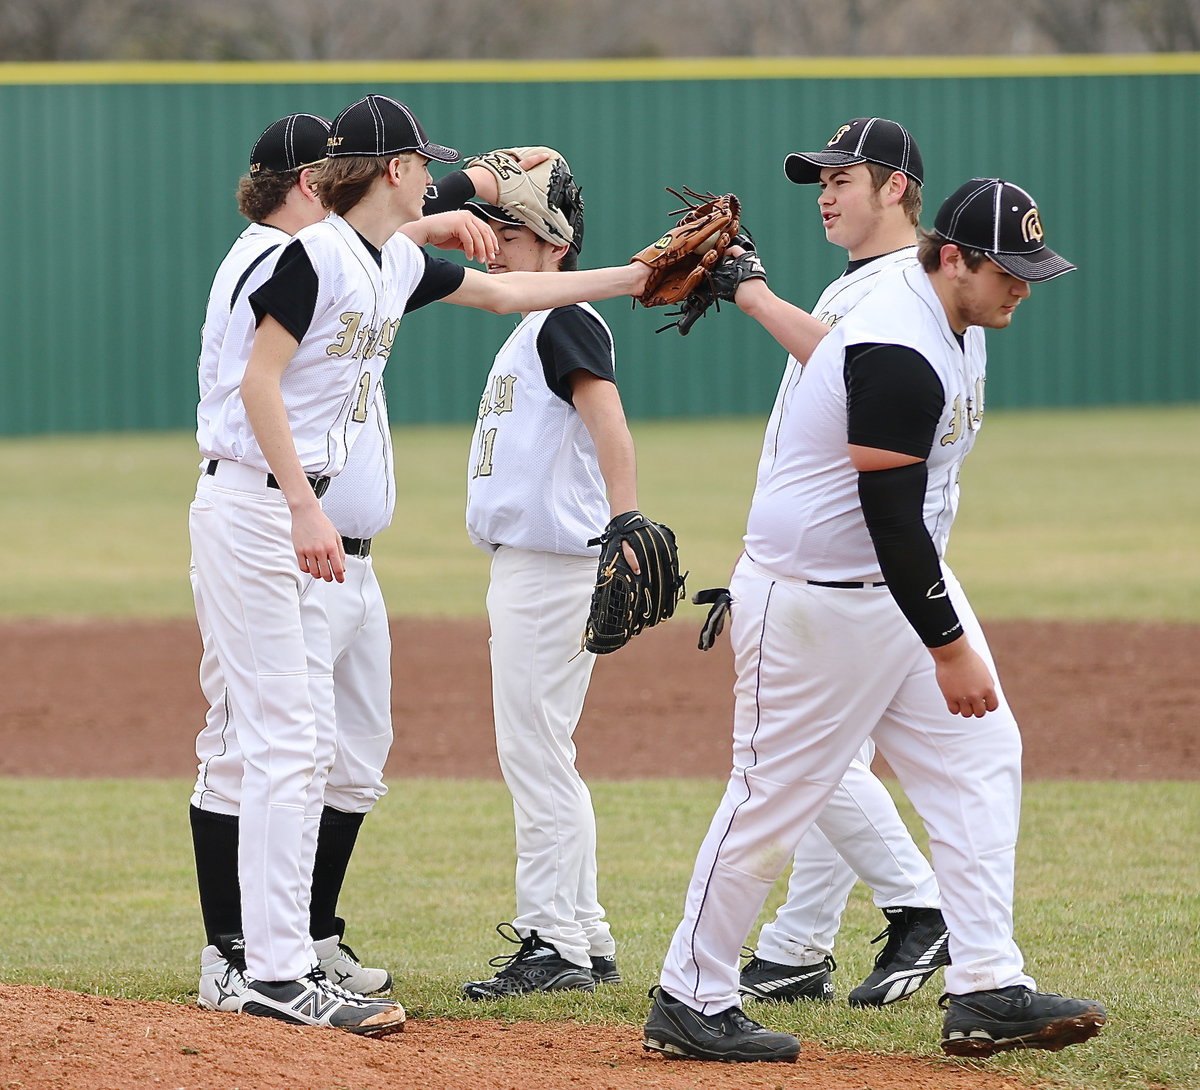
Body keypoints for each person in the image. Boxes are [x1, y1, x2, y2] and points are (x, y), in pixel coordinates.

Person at [189, 92, 649, 1034]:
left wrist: (632, 278)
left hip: (288, 513)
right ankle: (271, 971)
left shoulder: (387, 259)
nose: (427, 174)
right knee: (283, 745)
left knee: (309, 748)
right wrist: (308, 505)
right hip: (260, 509)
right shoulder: (308, 257)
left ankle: (286, 960)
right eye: (417, 163)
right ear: (393, 170)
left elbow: (511, 292)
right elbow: (257, 382)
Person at [643, 178, 1107, 1062]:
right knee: (772, 798)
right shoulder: (901, 340)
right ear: (952, 257)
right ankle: (689, 996)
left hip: (891, 582)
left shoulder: (954, 314)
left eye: (1031, 271)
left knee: (981, 758)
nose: (1022, 286)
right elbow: (888, 515)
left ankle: (984, 985)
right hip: (819, 598)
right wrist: (950, 647)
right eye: (1007, 269)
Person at [739, 119, 949, 1010]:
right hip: (838, 561)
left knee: (796, 758)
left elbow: (852, 372)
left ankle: (921, 906)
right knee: (835, 755)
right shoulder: (864, 282)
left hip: (851, 567)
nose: (826, 192)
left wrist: (751, 294)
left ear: (897, 185)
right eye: (819, 179)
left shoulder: (910, 287)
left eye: (845, 177)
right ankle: (796, 948)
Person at [457, 150, 640, 999]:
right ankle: (585, 934)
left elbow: (608, 420)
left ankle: (551, 940)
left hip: (551, 567)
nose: (494, 242)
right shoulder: (533, 320)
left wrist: (626, 518)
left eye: (512, 230)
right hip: (535, 566)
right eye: (495, 226)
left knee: (534, 754)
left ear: (556, 246)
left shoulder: (565, 318)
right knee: (544, 751)